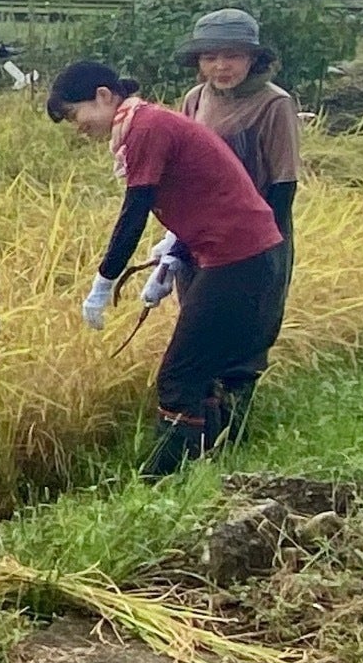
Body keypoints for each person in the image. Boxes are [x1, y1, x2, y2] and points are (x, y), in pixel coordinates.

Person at [46, 60, 288, 480]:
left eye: (75, 114)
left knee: (180, 375)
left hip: (237, 256)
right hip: (235, 253)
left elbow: (135, 211)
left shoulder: (146, 128)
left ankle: (162, 480)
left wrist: (104, 281)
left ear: (104, 96)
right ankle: (207, 470)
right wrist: (173, 251)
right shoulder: (146, 122)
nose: (77, 126)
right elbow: (199, 193)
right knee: (201, 370)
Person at [167, 8, 302, 445]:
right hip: (200, 242)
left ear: (253, 60)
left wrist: (256, 251)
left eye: (232, 56)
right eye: (210, 57)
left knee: (242, 345)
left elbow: (283, 186)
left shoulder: (274, 105)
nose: (220, 67)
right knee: (199, 335)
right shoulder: (194, 100)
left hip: (257, 241)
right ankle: (200, 441)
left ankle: (233, 441)